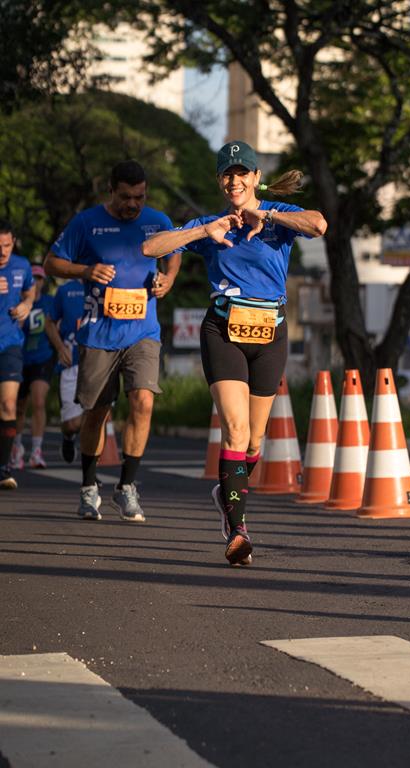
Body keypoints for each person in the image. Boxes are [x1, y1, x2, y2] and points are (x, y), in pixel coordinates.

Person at [142, 140, 327, 565]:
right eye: (227, 174)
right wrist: (202, 232)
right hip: (222, 331)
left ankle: (226, 494)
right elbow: (151, 248)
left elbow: (319, 224)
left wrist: (266, 215)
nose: (235, 181)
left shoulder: (278, 219)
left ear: (256, 178)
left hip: (270, 333)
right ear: (219, 181)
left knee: (255, 441)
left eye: (242, 173)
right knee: (236, 431)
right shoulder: (212, 224)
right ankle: (238, 529)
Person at [44, 160, 181, 521]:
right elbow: (52, 263)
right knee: (97, 413)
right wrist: (86, 270)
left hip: (143, 331)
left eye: (139, 197)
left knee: (143, 401)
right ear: (110, 191)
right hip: (99, 333)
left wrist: (168, 279)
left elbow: (174, 252)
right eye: (125, 197)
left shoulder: (157, 222)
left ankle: (127, 486)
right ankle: (89, 486)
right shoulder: (86, 223)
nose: (132, 204)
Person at [0, 220, 35, 489]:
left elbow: (29, 289)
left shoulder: (22, 265)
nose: (2, 252)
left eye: (7, 245)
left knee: (9, 404)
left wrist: (27, 303)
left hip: (10, 343)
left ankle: (4, 468)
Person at [10, 264, 55, 470]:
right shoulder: (17, 303)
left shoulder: (49, 302)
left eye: (39, 279)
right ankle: (16, 447)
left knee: (38, 401)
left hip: (42, 358)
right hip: (21, 358)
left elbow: (55, 325)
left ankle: (36, 450)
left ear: (43, 282)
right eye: (33, 279)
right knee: (18, 407)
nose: (36, 282)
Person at [44, 277, 85, 463]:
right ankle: (68, 437)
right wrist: (60, 348)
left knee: (95, 417)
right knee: (72, 424)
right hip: (71, 363)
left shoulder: (108, 286)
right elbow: (49, 322)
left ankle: (90, 471)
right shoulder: (66, 290)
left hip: (98, 362)